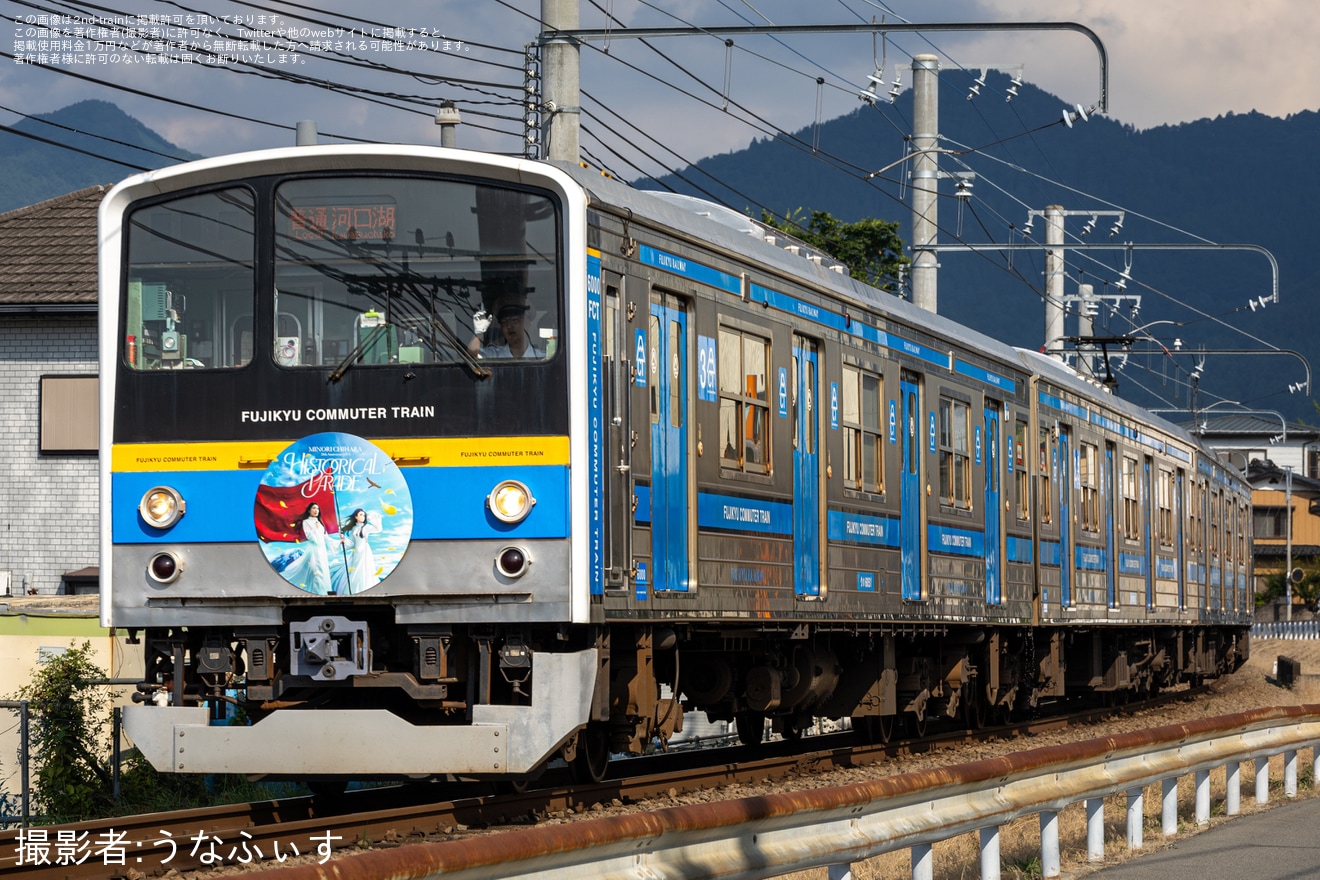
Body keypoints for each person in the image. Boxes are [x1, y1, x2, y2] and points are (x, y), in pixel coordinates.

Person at [279, 502, 333, 595]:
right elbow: (309, 536)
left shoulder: (320, 523)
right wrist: (315, 530)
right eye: (313, 508)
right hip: (314, 549)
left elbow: (326, 537)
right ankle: (318, 592)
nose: (316, 510)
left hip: (322, 550)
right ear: (309, 510)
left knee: (323, 570)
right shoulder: (306, 522)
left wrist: (339, 542)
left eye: (317, 509)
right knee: (317, 569)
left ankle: (325, 591)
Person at [468, 298, 544, 359]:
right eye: (504, 322)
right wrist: (478, 333)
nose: (509, 326)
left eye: (515, 320)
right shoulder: (494, 355)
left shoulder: (540, 358)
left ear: (527, 323)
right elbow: (471, 358)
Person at [335, 508, 381, 595]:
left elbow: (378, 529)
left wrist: (372, 519)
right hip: (356, 553)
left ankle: (366, 590)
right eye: (361, 515)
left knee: (366, 570)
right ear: (356, 516)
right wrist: (344, 539)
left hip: (365, 552)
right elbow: (352, 543)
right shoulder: (354, 529)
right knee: (356, 571)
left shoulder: (367, 527)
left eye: (364, 515)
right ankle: (355, 591)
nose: (363, 517)